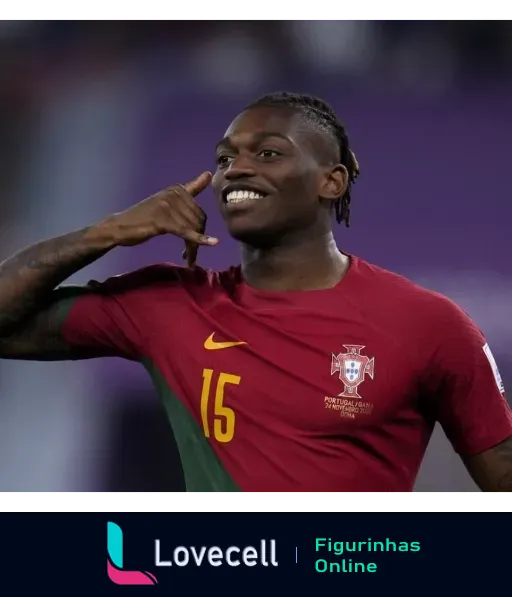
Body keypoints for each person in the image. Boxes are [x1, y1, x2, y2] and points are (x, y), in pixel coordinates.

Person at [0, 92, 510, 495]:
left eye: (267, 153)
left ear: (331, 182)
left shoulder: (428, 324)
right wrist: (105, 233)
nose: (236, 169)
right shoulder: (166, 304)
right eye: (225, 158)